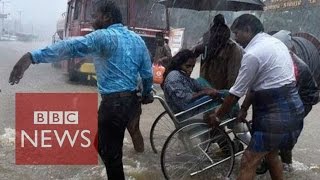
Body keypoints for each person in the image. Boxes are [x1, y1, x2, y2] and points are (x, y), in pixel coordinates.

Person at [9, 1, 153, 180]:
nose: (93, 20)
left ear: (107, 17)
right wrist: (147, 93)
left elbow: (70, 47)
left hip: (114, 105)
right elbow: (147, 74)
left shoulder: (103, 37)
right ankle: (142, 162)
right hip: (132, 101)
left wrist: (31, 57)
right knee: (109, 144)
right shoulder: (137, 39)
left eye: (95, 16)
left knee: (111, 157)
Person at [206, 14, 305, 179]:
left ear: (247, 30)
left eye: (237, 33)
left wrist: (217, 116)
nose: (236, 39)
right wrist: (244, 109)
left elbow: (235, 92)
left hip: (275, 114)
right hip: (293, 108)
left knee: (248, 160)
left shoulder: (253, 53)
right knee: (272, 155)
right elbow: (258, 84)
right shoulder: (275, 43)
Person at [272, 30, 319, 171]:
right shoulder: (279, 60)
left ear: (288, 48)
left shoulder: (297, 66)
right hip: (294, 97)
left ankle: (287, 164)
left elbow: (291, 93)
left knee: (287, 130)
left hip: (305, 100)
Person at [193, 14, 243, 90]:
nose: (218, 32)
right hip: (203, 90)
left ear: (226, 30)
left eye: (221, 29)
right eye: (215, 28)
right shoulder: (204, 43)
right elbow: (188, 57)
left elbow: (233, 77)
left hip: (221, 93)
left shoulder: (233, 48)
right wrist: (198, 49)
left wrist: (227, 97)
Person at [162, 49, 218, 115]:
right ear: (179, 64)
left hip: (191, 108)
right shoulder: (174, 76)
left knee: (202, 81)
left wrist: (209, 90)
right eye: (187, 66)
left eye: (192, 67)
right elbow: (185, 100)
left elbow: (198, 85)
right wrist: (204, 92)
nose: (191, 70)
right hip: (186, 112)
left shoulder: (183, 75)